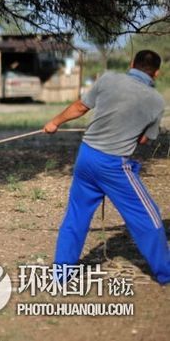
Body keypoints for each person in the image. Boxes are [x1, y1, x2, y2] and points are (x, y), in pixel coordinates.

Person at [44, 50, 169, 284]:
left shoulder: (108, 78)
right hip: (113, 165)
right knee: (149, 217)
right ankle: (166, 272)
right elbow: (143, 140)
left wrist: (54, 122)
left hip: (86, 156)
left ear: (132, 64)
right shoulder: (156, 101)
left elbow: (81, 107)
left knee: (76, 216)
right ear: (157, 73)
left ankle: (60, 275)